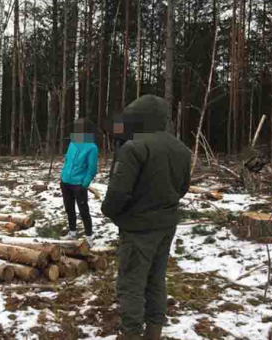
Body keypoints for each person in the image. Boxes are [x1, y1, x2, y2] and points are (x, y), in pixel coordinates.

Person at [101, 95, 191, 340]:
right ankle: (154, 333)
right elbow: (183, 187)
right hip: (166, 225)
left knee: (131, 284)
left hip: (139, 229)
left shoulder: (133, 147)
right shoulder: (181, 149)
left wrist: (109, 211)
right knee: (156, 280)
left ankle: (130, 334)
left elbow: (118, 192)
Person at [60, 118, 99, 241]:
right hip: (65, 182)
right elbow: (67, 159)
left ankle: (89, 236)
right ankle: (72, 232)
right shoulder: (73, 142)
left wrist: (84, 183)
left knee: (83, 210)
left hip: (79, 185)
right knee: (69, 208)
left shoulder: (92, 147)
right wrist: (63, 176)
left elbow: (92, 169)